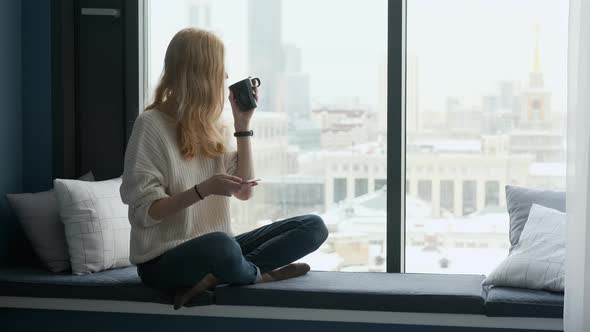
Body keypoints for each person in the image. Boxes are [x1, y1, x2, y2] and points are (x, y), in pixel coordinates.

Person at [120, 28, 328, 310]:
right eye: (220, 69)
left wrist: (243, 126)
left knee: (313, 227)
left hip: (215, 252)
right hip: (163, 263)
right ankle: (258, 275)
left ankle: (216, 278)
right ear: (200, 73)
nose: (226, 77)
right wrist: (203, 190)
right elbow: (145, 212)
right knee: (220, 245)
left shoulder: (210, 127)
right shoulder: (151, 125)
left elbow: (244, 190)